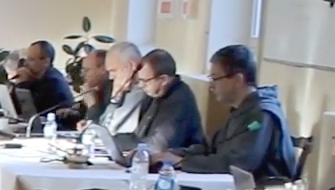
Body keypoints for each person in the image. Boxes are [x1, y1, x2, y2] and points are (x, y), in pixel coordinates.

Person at [168, 44, 295, 179]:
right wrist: (175, 154)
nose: (211, 86)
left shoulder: (261, 115)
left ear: (238, 80)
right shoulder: (241, 110)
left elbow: (240, 163)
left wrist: (184, 163)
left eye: (215, 79)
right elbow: (213, 148)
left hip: (261, 189)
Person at [121, 49, 204, 156]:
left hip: (176, 163)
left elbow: (158, 146)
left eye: (145, 81)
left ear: (163, 80)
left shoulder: (180, 100)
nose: (141, 86)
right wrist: (112, 141)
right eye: (139, 80)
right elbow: (138, 137)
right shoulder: (153, 94)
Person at [89, 41, 145, 136]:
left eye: (113, 70)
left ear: (131, 66)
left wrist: (116, 96)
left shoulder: (139, 92)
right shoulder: (122, 89)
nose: (110, 77)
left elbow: (108, 131)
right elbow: (102, 127)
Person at [11, 40, 74, 117]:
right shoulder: (37, 79)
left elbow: (30, 110)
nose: (25, 63)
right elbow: (12, 106)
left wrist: (22, 83)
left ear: (46, 62)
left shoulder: (53, 82)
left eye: (31, 59)